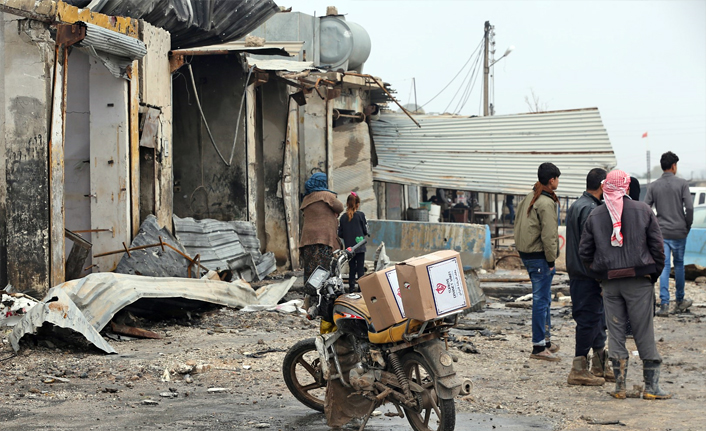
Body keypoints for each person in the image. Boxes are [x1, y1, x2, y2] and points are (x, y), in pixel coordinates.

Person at [579, 169, 670, 400]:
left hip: (610, 284)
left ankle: (620, 387)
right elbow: (658, 249)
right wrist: (652, 275)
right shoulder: (643, 210)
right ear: (627, 187)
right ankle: (651, 388)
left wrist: (601, 275)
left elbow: (585, 253)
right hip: (639, 282)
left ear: (606, 187)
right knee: (643, 332)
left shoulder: (596, 215)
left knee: (616, 332)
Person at [566, 168, 613, 385]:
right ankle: (578, 369)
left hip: (581, 272)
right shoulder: (591, 210)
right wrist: (601, 275)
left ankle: (599, 365)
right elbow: (594, 246)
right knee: (588, 320)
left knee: (597, 319)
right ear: (603, 185)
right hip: (587, 274)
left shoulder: (578, 205)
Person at [514, 162, 562, 361]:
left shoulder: (531, 196)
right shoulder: (545, 202)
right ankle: (539, 346)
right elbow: (549, 235)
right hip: (538, 256)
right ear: (552, 180)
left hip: (527, 253)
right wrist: (551, 260)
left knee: (544, 298)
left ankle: (546, 341)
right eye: (557, 178)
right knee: (541, 301)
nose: (558, 182)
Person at [644, 151, 694, 316]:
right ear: (673, 166)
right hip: (679, 231)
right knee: (679, 265)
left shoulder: (653, 186)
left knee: (664, 266)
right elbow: (690, 207)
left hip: (661, 232)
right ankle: (679, 300)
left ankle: (664, 304)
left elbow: (646, 208)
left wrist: (652, 227)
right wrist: (687, 225)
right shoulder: (682, 184)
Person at [299, 172, 344, 298]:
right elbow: (340, 208)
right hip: (324, 240)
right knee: (323, 270)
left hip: (308, 240)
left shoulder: (307, 198)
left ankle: (309, 298)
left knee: (310, 270)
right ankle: (324, 297)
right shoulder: (327, 195)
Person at [338, 192, 369, 292]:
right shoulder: (361, 215)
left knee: (352, 268)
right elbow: (365, 231)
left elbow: (340, 233)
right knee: (360, 268)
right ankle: (361, 290)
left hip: (349, 249)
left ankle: (351, 289)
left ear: (347, 204)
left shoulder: (343, 217)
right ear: (358, 204)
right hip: (360, 246)